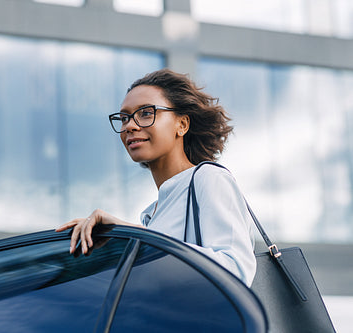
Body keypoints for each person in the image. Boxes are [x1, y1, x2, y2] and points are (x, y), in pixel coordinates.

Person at [56, 69, 256, 286]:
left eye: (146, 113)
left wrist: (135, 235)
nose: (130, 125)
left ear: (182, 125)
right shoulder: (152, 213)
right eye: (124, 118)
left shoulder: (209, 178)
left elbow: (235, 270)